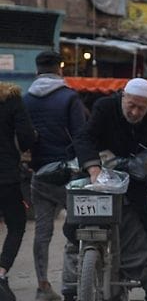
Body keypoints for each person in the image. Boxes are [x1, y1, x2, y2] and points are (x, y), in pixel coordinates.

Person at [70, 79, 147, 301]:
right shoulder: (104, 106)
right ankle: (71, 285)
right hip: (99, 182)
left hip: (134, 184)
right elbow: (84, 137)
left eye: (141, 108)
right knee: (74, 231)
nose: (135, 112)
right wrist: (94, 169)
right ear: (124, 96)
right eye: (131, 105)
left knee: (142, 235)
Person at [23, 51, 88, 301]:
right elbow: (80, 135)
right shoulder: (69, 97)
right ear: (59, 69)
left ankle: (43, 286)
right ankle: (70, 286)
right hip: (69, 175)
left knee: (42, 233)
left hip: (40, 175)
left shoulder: (26, 100)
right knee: (75, 228)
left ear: (37, 71)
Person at [0, 82, 35, 301]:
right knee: (16, 224)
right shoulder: (10, 98)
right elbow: (26, 137)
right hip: (5, 175)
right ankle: (1, 271)